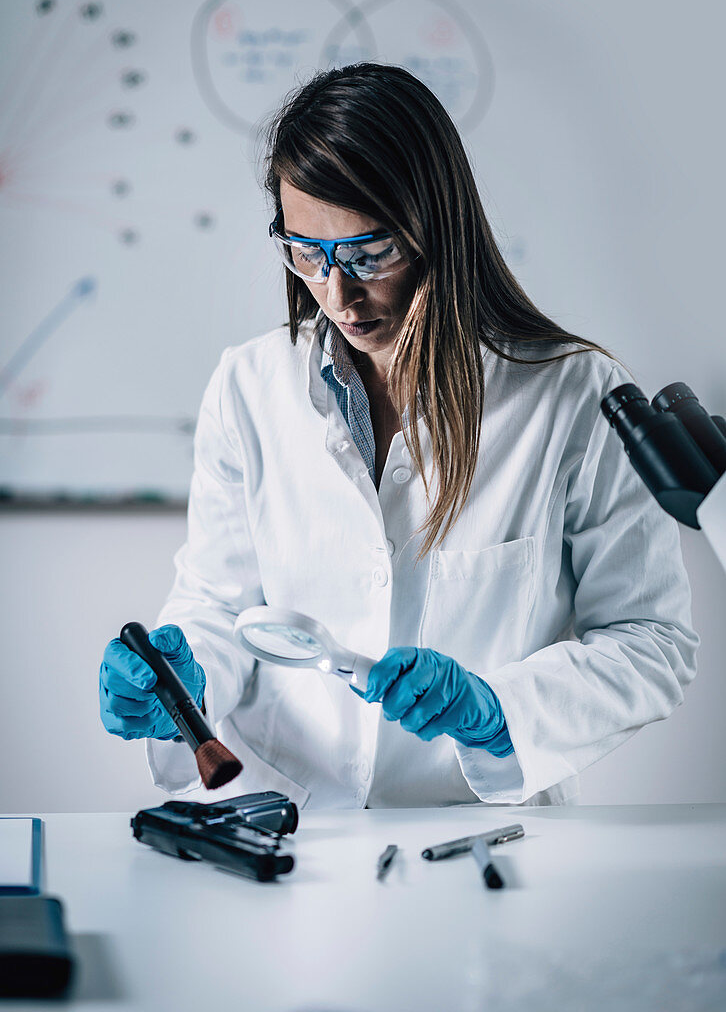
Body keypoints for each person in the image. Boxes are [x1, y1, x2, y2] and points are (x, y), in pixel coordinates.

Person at [99, 63, 698, 807]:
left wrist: (499, 709)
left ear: (434, 227)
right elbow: (220, 606)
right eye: (307, 253)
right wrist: (185, 676)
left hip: (476, 830)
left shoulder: (576, 395)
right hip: (287, 822)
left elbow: (651, 640)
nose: (338, 292)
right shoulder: (249, 386)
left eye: (368, 253)